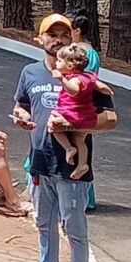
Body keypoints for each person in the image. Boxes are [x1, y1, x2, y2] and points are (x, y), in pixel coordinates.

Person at [9, 19, 112, 262]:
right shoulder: (30, 72)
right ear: (39, 39)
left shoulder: (85, 78)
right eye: (52, 35)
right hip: (40, 162)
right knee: (44, 223)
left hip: (72, 167)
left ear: (72, 39)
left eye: (64, 35)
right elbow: (22, 105)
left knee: (74, 228)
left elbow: (111, 119)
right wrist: (19, 115)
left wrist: (77, 122)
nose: (58, 40)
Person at [45, 42, 102, 178]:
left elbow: (74, 90)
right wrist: (108, 91)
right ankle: (82, 163)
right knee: (79, 138)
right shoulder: (88, 76)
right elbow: (99, 85)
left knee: (52, 126)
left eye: (59, 61)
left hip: (72, 113)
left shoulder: (74, 80)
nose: (57, 63)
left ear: (70, 66)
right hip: (84, 115)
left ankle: (68, 148)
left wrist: (61, 79)